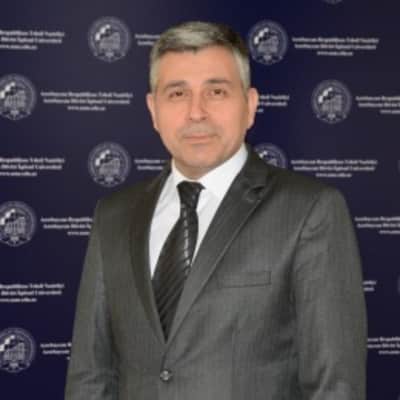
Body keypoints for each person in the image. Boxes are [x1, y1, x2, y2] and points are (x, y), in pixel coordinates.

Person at [65, 21, 367, 400]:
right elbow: (90, 377)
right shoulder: (114, 216)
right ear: (153, 110)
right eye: (177, 93)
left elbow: (334, 386)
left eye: (217, 91)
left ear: (250, 106)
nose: (197, 112)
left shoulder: (310, 211)